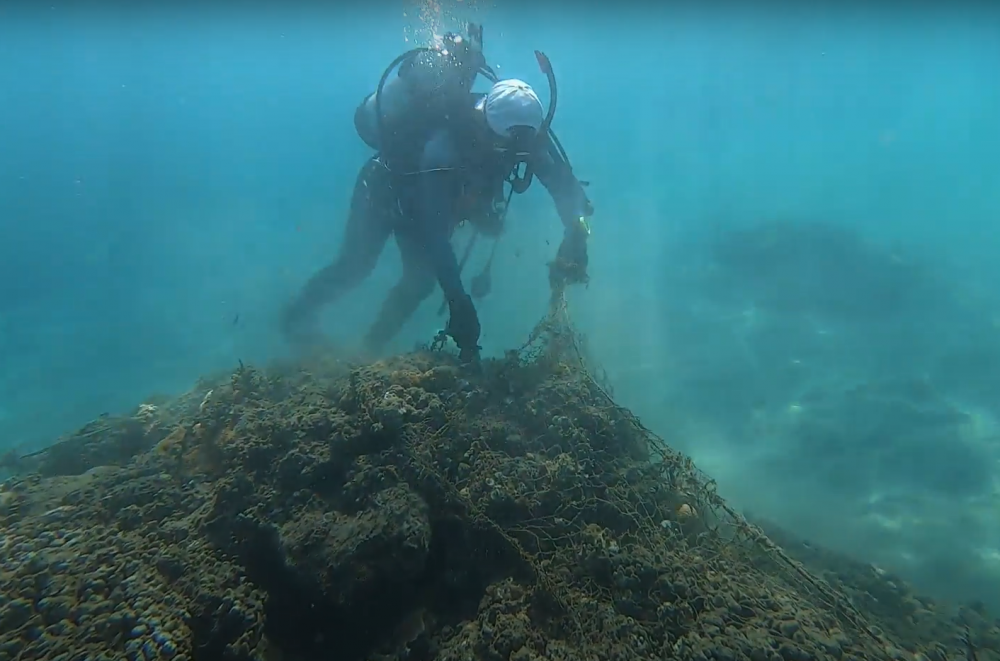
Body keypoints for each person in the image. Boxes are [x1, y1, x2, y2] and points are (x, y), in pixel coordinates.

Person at [281, 24, 594, 361]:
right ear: (487, 127)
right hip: (382, 196)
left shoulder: (523, 135)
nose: (517, 156)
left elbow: (565, 186)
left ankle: (367, 352)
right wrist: (459, 302)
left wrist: (577, 231)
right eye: (508, 147)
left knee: (419, 282)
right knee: (356, 265)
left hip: (428, 211)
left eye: (524, 148)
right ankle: (296, 318)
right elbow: (434, 234)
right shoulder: (443, 151)